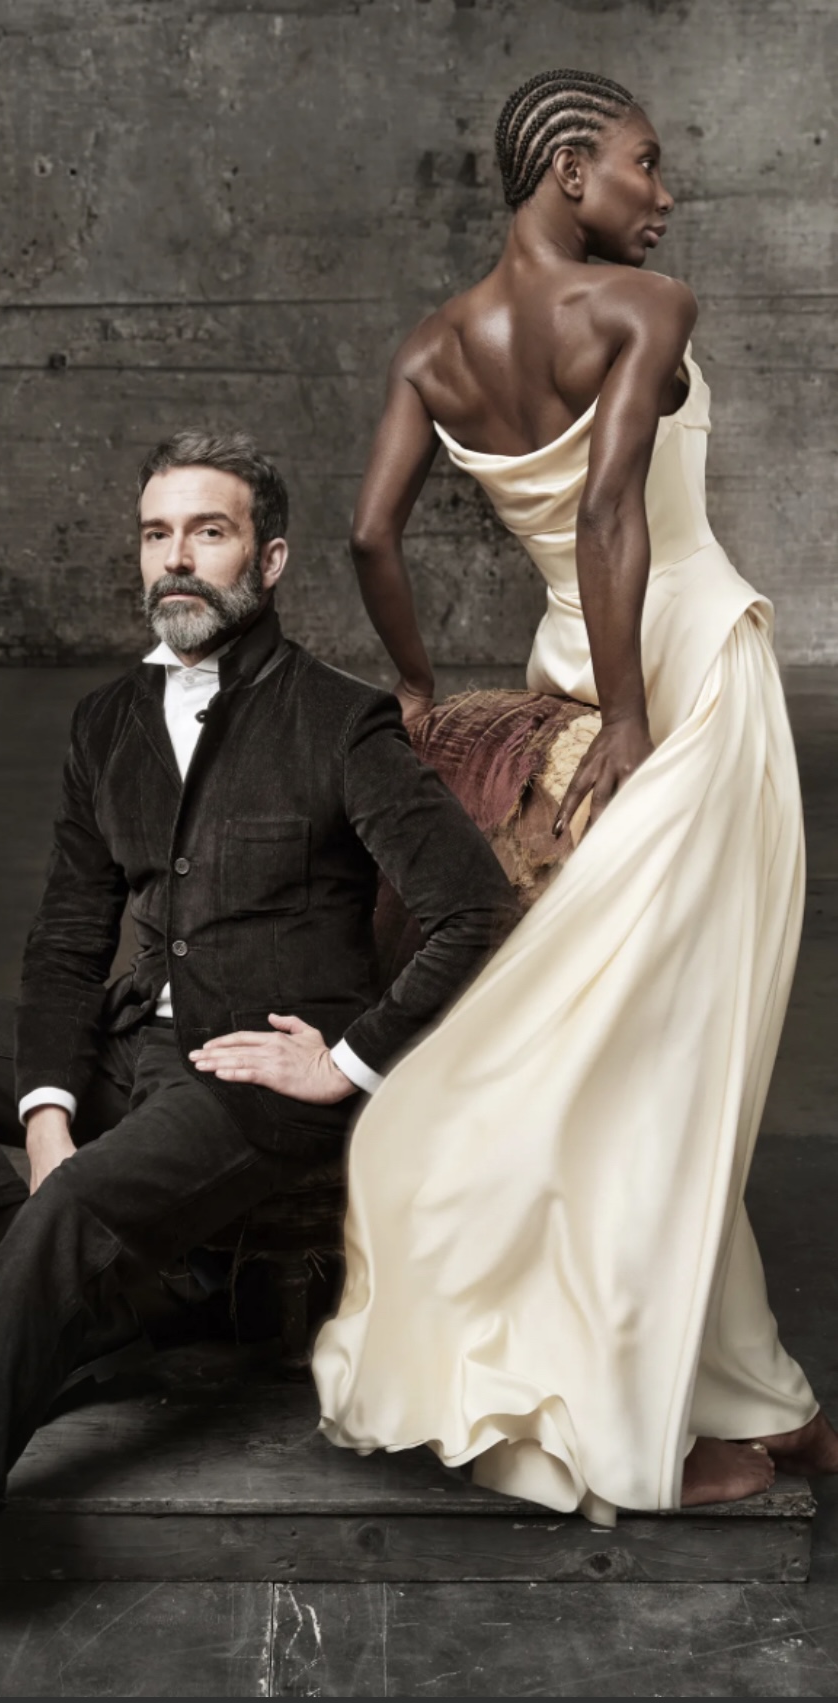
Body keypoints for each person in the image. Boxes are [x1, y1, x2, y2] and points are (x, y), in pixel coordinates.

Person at [0, 430, 516, 1696]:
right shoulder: (107, 722)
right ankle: (110, 1295)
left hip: (253, 1076)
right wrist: (43, 1108)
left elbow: (472, 906)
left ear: (269, 558)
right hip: (131, 1037)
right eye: (156, 534)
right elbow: (66, 938)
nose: (175, 559)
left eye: (208, 531)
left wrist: (348, 1062)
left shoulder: (339, 719)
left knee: (80, 1201)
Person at [312, 69, 838, 1524]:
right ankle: (623, 1408)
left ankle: (751, 1385)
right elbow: (613, 508)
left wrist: (417, 684)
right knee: (660, 1042)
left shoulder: (434, 347)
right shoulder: (644, 308)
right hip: (677, 667)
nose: (663, 195)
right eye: (644, 165)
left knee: (651, 1028)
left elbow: (368, 536)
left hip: (569, 654)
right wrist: (632, 712)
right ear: (565, 169)